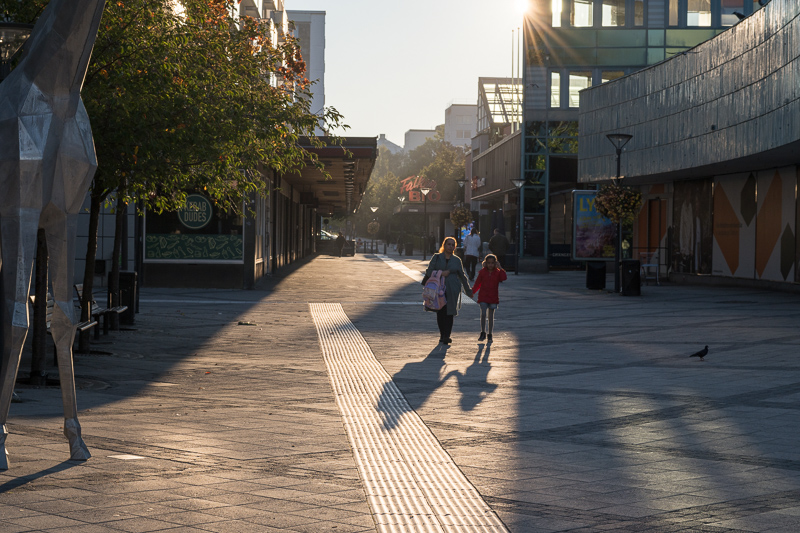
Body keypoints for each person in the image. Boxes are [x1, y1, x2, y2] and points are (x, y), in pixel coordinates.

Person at [422, 236, 473, 345]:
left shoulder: (456, 260)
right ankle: (442, 334)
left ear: (454, 247)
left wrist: (468, 290)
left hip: (452, 288)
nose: (450, 246)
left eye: (452, 245)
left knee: (450, 312)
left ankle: (447, 335)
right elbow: (429, 271)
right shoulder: (436, 257)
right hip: (437, 288)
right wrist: (441, 273)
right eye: (448, 244)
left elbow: (462, 275)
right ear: (444, 245)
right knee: (440, 311)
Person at [471, 254, 507, 343]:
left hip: (493, 297)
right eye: (488, 263)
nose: (490, 265)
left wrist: (500, 267)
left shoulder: (498, 272)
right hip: (483, 296)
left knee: (491, 316)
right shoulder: (482, 272)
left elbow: (504, 278)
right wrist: (472, 292)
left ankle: (490, 333)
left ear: (495, 263)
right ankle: (483, 332)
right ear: (485, 263)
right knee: (483, 314)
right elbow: (477, 283)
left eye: (492, 263)